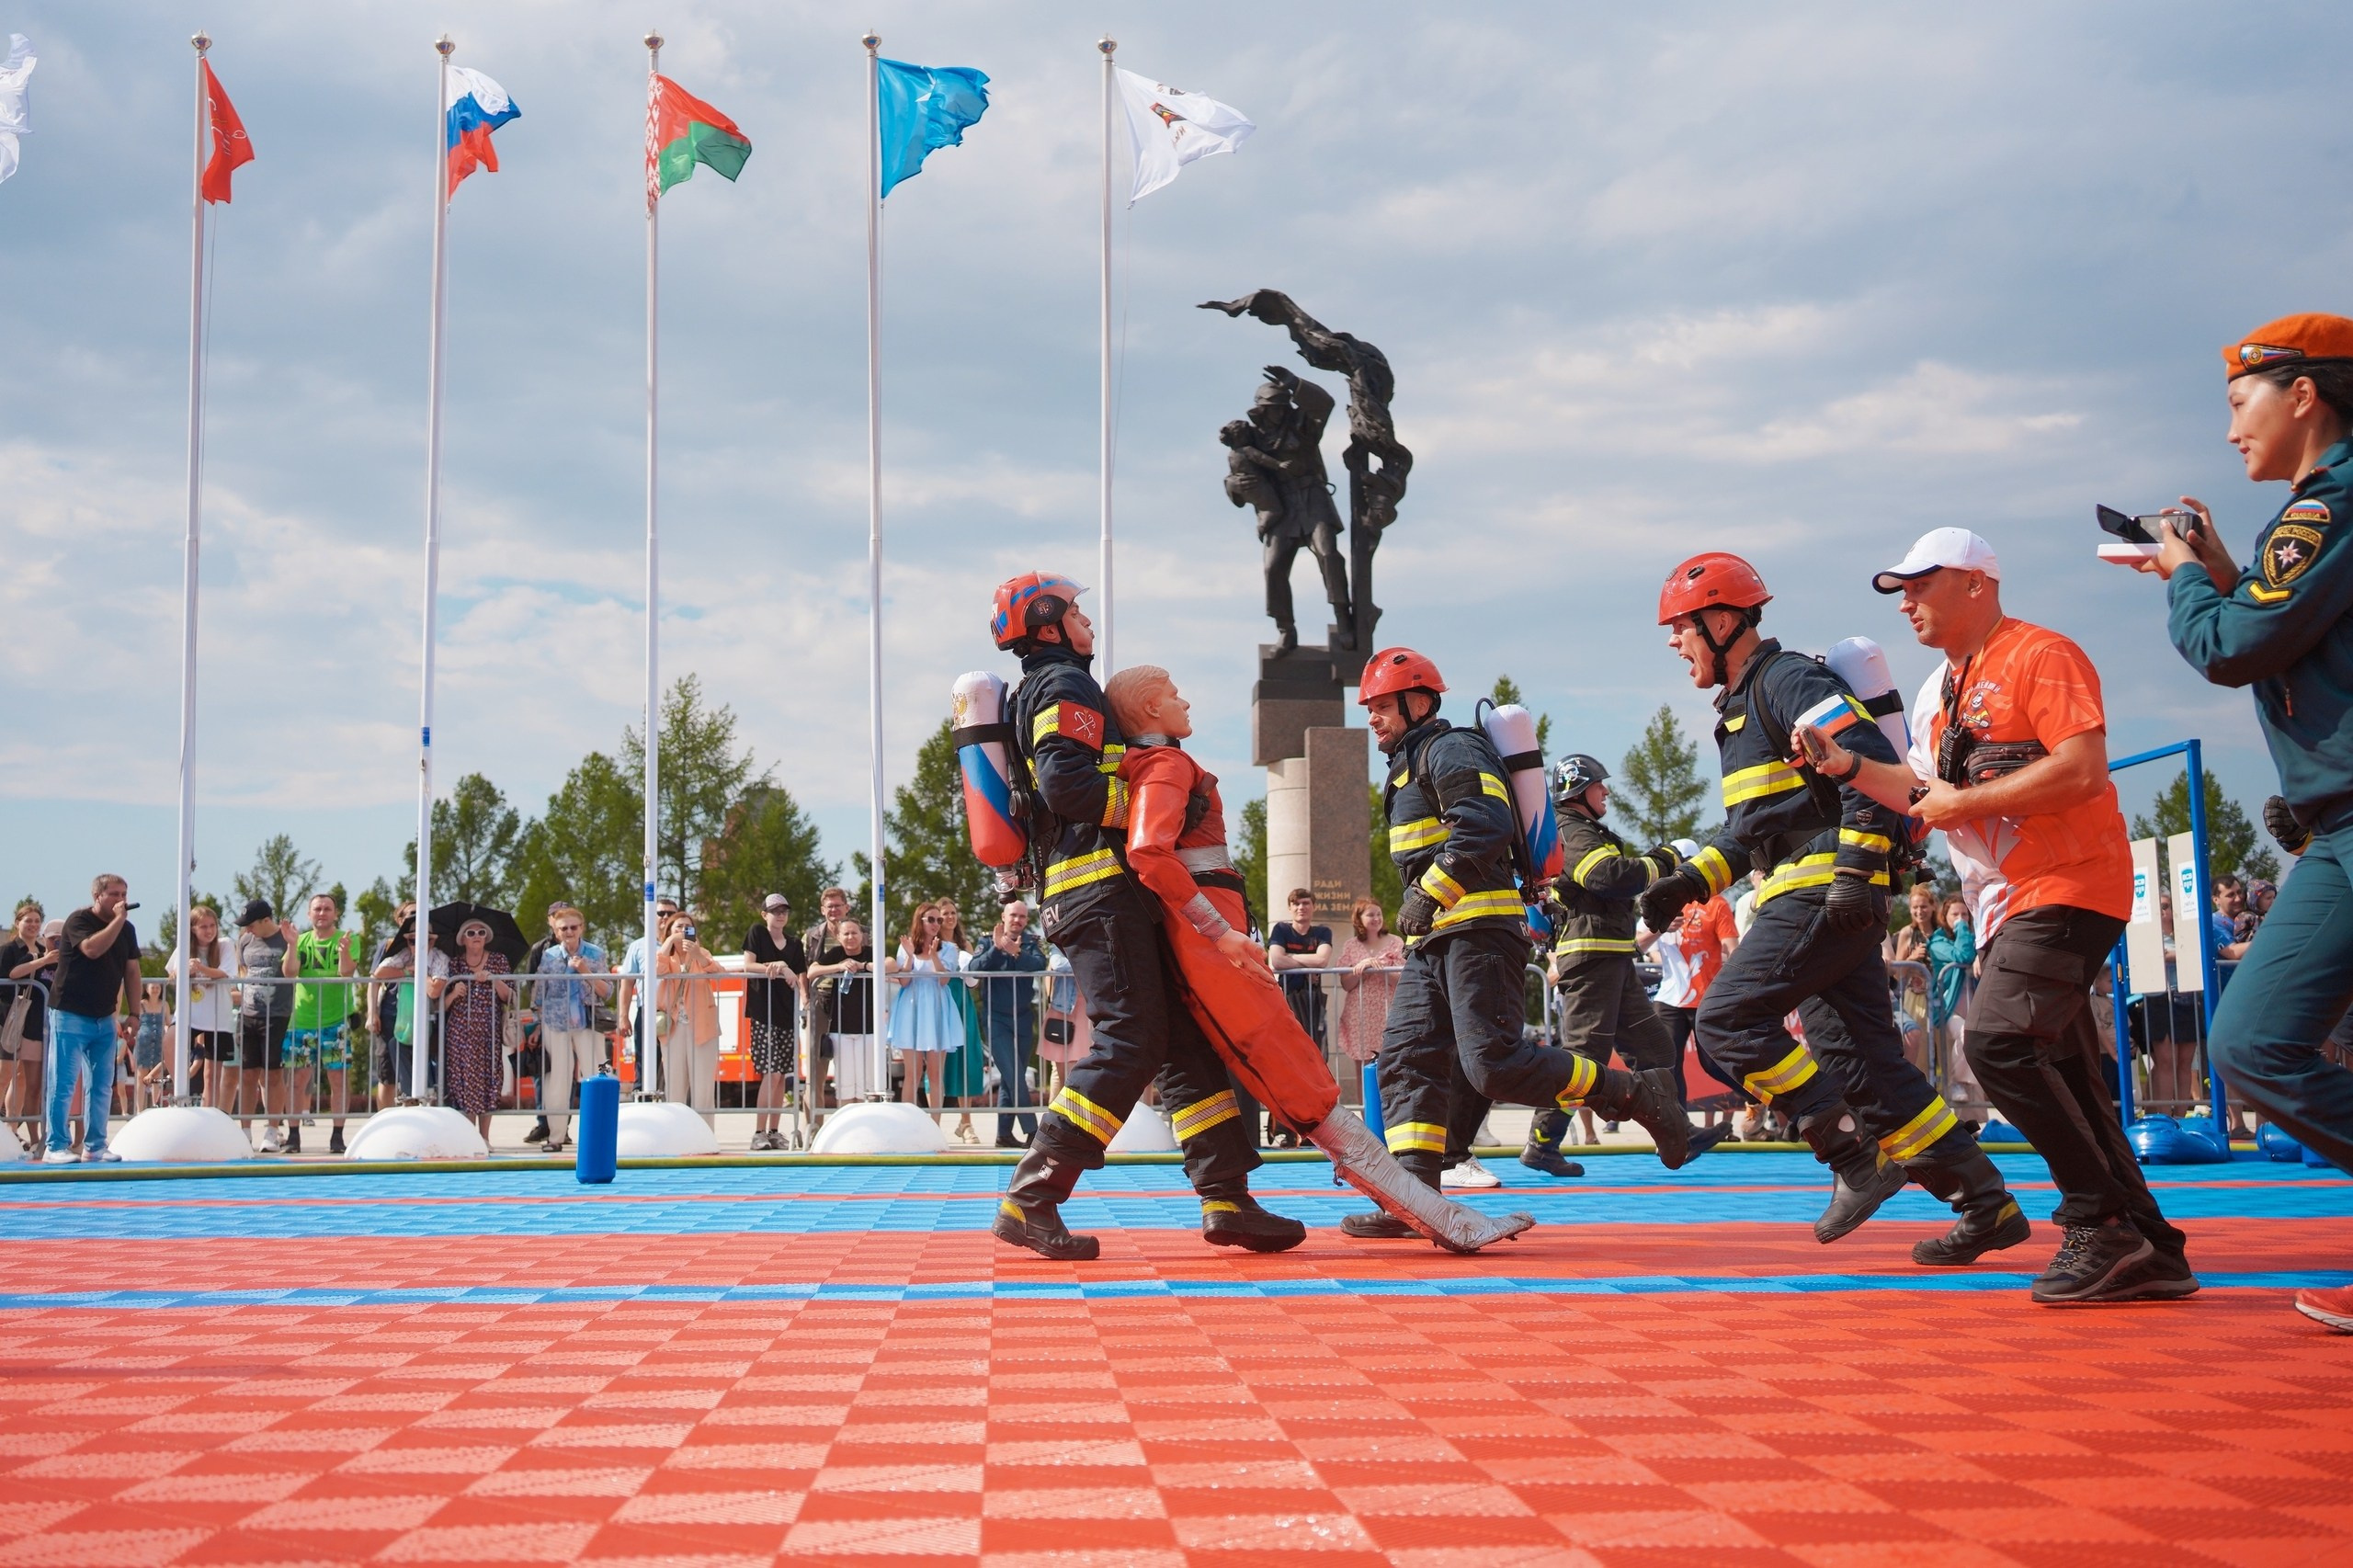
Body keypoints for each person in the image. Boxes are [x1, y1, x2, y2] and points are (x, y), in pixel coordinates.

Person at [1802, 525, 2190, 1302]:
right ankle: (2153, 1246)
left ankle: (2100, 1222)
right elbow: (1922, 795)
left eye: (1921, 583)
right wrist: (1847, 764)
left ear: (1977, 583)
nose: (1906, 601)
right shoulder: (1933, 692)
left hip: (2068, 883)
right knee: (2068, 1074)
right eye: (1901, 588)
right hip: (2004, 904)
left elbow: (2082, 771)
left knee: (1998, 1043)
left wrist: (1964, 803)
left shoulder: (2042, 654)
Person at [1642, 551, 2017, 1253]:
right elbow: (1755, 834)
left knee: (1724, 1022)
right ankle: (1986, 1203)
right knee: (1865, 1066)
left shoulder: (1787, 680)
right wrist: (1688, 884)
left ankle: (1851, 1154)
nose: (1674, 642)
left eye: (1680, 627)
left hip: (1822, 893)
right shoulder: (1740, 710)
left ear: (1721, 622)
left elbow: (1869, 767)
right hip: (1818, 894)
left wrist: (1857, 868)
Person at [1107, 664, 1529, 1251]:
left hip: (1197, 942)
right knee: (1294, 1070)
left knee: (1249, 1071)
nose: (1187, 702)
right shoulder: (1167, 764)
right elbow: (1150, 854)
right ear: (1151, 710)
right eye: (1175, 695)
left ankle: (1242, 1202)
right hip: (1212, 945)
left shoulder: (1144, 766)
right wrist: (1221, 933)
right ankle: (1442, 1218)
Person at [2141, 312, 2353, 1333]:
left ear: (2302, 395)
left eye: (2240, 403)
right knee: (2253, 1043)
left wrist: (2186, 577)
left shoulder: (2330, 507)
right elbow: (2282, 633)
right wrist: (2219, 570)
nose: (2231, 430)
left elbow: (2231, 648)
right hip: (2335, 830)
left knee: (2255, 1043)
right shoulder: (2316, 519)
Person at [988, 572, 1299, 1260]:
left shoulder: (1045, 687)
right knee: (1130, 1039)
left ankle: (1228, 1198)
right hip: (1097, 891)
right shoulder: (1065, 684)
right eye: (1077, 614)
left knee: (1185, 1040)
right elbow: (1067, 785)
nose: (1088, 624)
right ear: (1048, 625)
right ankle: (1031, 1196)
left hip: (1103, 893)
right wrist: (1161, 810)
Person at [1354, 645, 1692, 1241]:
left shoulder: (1451, 749)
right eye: (1370, 708)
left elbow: (1485, 823)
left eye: (1382, 706)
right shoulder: (1406, 765)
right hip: (1436, 941)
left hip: (1479, 933)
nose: (1373, 718)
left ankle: (1637, 1095)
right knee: (1407, 1061)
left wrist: (1429, 893)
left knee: (1494, 1066)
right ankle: (1414, 1200)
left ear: (1419, 703)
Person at [1524, 753, 1711, 1180]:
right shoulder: (1571, 830)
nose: (1606, 791)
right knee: (1584, 1057)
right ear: (1577, 791)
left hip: (1612, 955)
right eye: (1598, 785)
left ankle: (1678, 1133)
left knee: (1655, 1050)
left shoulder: (1584, 829)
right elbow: (1608, 876)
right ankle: (1543, 1143)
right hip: (1591, 957)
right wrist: (1666, 859)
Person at [43, 874, 142, 1164]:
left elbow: (132, 971)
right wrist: (118, 921)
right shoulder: (79, 920)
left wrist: (134, 1013)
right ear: (97, 896)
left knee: (101, 1084)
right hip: (70, 1013)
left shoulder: (127, 929)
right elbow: (92, 949)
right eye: (114, 894)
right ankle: (55, 1145)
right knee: (63, 1082)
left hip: (104, 1016)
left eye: (124, 894)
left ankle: (96, 1145)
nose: (121, 900)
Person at [1643, 862, 1744, 1131]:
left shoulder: (1716, 904)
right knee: (1667, 1065)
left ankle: (1760, 1099)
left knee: (1713, 1064)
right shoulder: (1657, 905)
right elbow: (1637, 946)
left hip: (1706, 998)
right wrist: (1660, 928)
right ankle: (1680, 1128)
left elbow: (1732, 948)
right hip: (1669, 998)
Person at [282, 892, 358, 1155]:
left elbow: (346, 972)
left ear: (336, 913)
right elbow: (290, 972)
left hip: (335, 1021)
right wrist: (292, 945)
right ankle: (293, 1135)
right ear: (309, 914)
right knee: (297, 1080)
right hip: (302, 1021)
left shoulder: (348, 939)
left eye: (327, 909)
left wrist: (345, 952)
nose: (322, 913)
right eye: (317, 909)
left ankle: (337, 1135)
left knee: (338, 1079)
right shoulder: (301, 940)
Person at [965, 898, 1046, 1148]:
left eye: (1022, 916)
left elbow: (1039, 964)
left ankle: (1003, 1135)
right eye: (1013, 915)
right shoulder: (988, 940)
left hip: (1023, 1017)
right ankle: (1033, 1130)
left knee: (1014, 1076)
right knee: (1012, 1073)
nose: (1017, 920)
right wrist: (998, 948)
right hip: (996, 1018)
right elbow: (974, 968)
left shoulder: (1031, 942)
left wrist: (1017, 952)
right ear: (1004, 917)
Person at [532, 903, 608, 1154]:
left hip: (588, 1020)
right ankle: (556, 1136)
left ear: (582, 928)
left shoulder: (596, 953)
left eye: (573, 927)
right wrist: (538, 1020)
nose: (569, 932)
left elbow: (607, 991)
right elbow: (539, 992)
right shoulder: (549, 955)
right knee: (558, 1079)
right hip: (556, 1022)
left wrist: (585, 971)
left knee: (597, 1074)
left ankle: (601, 1133)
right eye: (563, 928)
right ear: (556, 931)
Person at [887, 904, 963, 1120]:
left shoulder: (948, 948)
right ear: (920, 920)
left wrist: (934, 956)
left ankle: (935, 1124)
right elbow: (904, 982)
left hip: (936, 1009)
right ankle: (909, 1124)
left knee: (935, 1073)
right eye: (931, 919)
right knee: (912, 1073)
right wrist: (910, 956)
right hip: (911, 1009)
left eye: (939, 920)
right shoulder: (906, 946)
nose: (936, 924)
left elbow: (944, 980)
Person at [743, 893, 806, 1152]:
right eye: (775, 911)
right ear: (764, 914)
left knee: (781, 1076)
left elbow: (800, 976)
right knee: (772, 1073)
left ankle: (774, 1131)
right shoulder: (757, 933)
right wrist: (780, 967)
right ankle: (759, 1132)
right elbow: (749, 965)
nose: (780, 915)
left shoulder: (795, 943)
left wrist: (795, 981)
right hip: (763, 1014)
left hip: (786, 1015)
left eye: (784, 911)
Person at [230, 899, 293, 1153]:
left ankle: (272, 1131)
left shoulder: (285, 938)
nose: (248, 930)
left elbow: (292, 972)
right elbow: (243, 971)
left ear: (266, 920)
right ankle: (244, 1131)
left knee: (273, 1074)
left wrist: (293, 944)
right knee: (247, 1074)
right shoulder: (245, 940)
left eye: (252, 924)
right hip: (248, 1014)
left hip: (276, 1014)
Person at [441, 917, 513, 1141]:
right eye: (471, 933)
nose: (477, 937)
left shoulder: (499, 960)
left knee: (489, 1083)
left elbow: (510, 996)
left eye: (481, 932)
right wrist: (454, 992)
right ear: (462, 939)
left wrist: (494, 980)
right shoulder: (454, 965)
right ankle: (469, 1139)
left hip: (488, 1033)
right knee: (463, 1085)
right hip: (460, 1034)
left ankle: (484, 1138)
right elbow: (440, 1005)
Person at [165, 903, 233, 1110]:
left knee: (211, 1074)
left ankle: (210, 1113)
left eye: (212, 925)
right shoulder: (184, 947)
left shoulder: (225, 945)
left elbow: (224, 973)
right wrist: (185, 970)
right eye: (203, 926)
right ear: (193, 928)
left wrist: (200, 968)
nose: (209, 930)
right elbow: (172, 976)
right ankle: (180, 1093)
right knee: (170, 1040)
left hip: (218, 1017)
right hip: (190, 1014)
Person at [655, 910, 722, 1124]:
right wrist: (669, 942)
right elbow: (656, 970)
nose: (684, 931)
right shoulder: (666, 955)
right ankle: (676, 1133)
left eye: (688, 927)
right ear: (669, 931)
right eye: (679, 927)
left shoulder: (702, 953)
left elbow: (718, 972)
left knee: (703, 1088)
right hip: (673, 1027)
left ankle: (705, 1135)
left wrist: (697, 954)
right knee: (675, 1086)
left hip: (702, 1026)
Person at [1, 900, 53, 1152]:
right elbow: (8, 978)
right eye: (28, 920)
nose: (33, 925)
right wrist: (38, 963)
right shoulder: (8, 950)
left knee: (23, 1078)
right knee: (5, 1073)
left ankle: (15, 1131)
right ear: (17, 923)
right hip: (9, 1018)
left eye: (36, 921)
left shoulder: (46, 949)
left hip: (35, 1021)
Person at [613, 897, 679, 1097]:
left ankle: (674, 1104)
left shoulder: (683, 945)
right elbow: (627, 983)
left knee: (677, 1063)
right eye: (661, 913)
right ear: (651, 915)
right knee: (644, 1062)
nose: (665, 917)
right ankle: (643, 1102)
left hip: (678, 1012)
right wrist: (623, 1016)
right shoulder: (638, 946)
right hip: (648, 1011)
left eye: (671, 913)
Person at [1335, 899, 1404, 1069]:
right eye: (1370, 915)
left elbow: (1401, 980)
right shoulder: (1351, 945)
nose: (1376, 918)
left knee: (1391, 1062)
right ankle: (1364, 1090)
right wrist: (1363, 967)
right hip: (1360, 1013)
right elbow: (1346, 984)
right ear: (1359, 919)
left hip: (1387, 1010)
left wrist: (1379, 968)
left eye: (1379, 914)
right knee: (1363, 1066)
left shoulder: (1395, 942)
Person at [801, 889, 852, 1111]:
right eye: (830, 906)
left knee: (852, 1069)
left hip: (851, 1004)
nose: (834, 910)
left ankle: (851, 1124)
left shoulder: (860, 932)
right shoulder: (811, 936)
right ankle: (814, 1125)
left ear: (847, 908)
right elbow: (802, 970)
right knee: (816, 1071)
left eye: (838, 905)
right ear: (823, 910)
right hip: (820, 1002)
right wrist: (806, 1000)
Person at [824, 918, 879, 1103]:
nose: (850, 937)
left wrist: (863, 966)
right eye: (846, 933)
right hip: (841, 1028)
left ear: (862, 935)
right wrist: (839, 967)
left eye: (854, 932)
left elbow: (891, 965)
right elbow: (812, 971)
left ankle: (866, 1119)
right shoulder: (835, 953)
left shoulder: (871, 953)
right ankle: (846, 1117)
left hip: (869, 1028)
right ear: (838, 937)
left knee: (867, 1082)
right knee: (844, 1082)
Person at [2211, 875, 2253, 963]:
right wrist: (2266, 940)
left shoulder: (2250, 917)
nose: (2238, 899)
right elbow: (2233, 952)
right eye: (2231, 895)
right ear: (2216, 900)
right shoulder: (2213, 923)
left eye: (2239, 892)